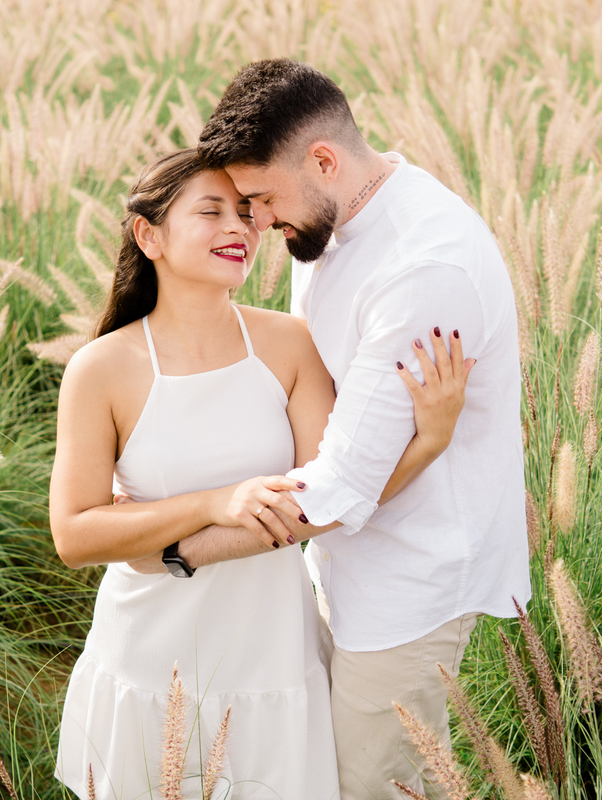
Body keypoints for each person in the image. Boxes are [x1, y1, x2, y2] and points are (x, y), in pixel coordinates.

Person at [49, 148, 473, 799]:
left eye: (247, 213)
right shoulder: (101, 369)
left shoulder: (288, 344)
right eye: (211, 211)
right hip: (147, 655)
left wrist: (429, 442)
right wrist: (216, 502)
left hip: (272, 653)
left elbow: (334, 495)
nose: (239, 229)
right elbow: (75, 534)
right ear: (149, 235)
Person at [190, 59, 532, 798]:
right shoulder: (332, 219)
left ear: (322, 159)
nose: (256, 221)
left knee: (371, 784)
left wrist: (176, 548)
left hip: (412, 575)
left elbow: (346, 482)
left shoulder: (422, 270)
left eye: (261, 198)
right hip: (338, 556)